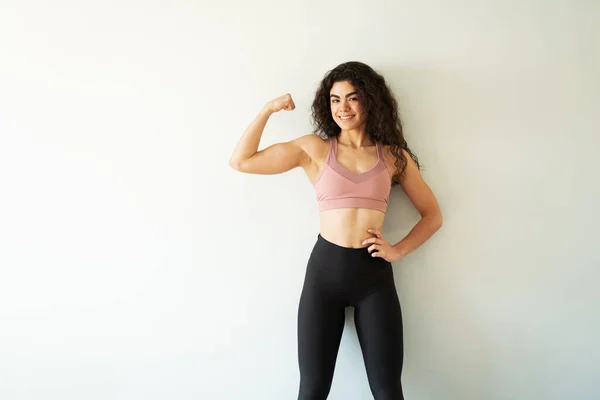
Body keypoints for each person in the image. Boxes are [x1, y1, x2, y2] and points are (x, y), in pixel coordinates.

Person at [229, 61, 443, 400]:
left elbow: (432, 215)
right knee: (312, 390)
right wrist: (268, 109)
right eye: (335, 99)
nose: (342, 108)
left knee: (388, 391)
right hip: (324, 275)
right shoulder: (315, 149)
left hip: (374, 278)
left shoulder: (394, 157)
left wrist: (397, 250)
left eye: (352, 98)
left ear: (370, 100)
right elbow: (242, 161)